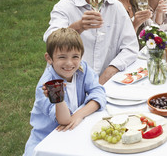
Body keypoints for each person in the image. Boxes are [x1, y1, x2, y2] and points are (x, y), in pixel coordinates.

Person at [44, 0, 138, 85]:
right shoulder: (64, 6)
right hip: (68, 82)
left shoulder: (116, 8)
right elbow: (50, 40)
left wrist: (108, 73)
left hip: (105, 84)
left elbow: (131, 47)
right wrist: (79, 26)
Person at [24, 28, 106, 156]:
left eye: (75, 57)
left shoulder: (81, 69)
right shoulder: (46, 86)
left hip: (73, 133)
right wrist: (59, 100)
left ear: (81, 56)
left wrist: (79, 114)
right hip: (47, 141)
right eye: (62, 57)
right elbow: (64, 120)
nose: (69, 63)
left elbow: (99, 93)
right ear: (49, 58)